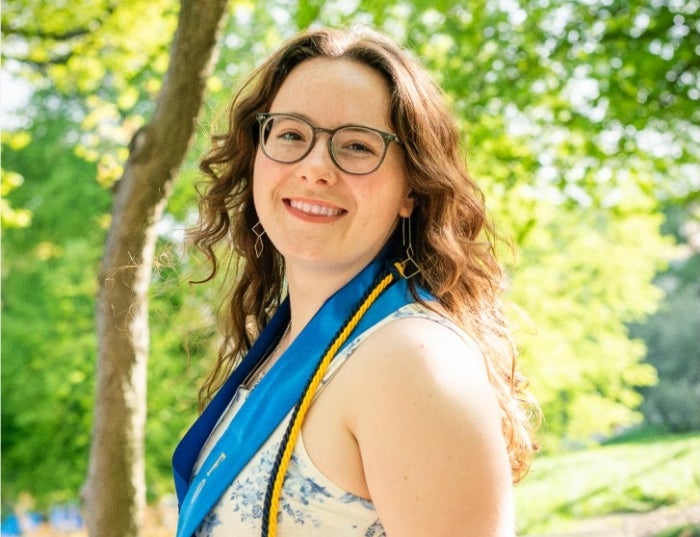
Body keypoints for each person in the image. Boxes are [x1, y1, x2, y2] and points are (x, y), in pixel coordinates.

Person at [173, 26, 538, 537]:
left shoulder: (411, 358)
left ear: (412, 189)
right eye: (291, 135)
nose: (316, 167)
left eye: (358, 146)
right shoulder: (287, 347)